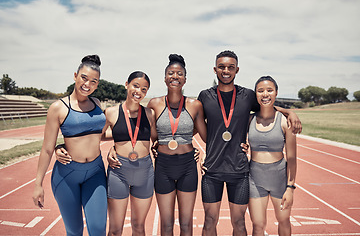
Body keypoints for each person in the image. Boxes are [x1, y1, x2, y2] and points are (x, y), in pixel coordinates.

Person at [197, 50, 301, 236]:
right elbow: (194, 123)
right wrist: (194, 150)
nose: (226, 71)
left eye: (231, 67)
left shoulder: (247, 96)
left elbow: (267, 104)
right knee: (209, 222)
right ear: (215, 69)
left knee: (239, 223)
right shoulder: (205, 96)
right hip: (212, 170)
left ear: (237, 70)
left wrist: (289, 112)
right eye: (221, 67)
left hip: (239, 171)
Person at [56, 71, 157, 236]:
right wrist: (60, 146)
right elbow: (95, 135)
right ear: (127, 84)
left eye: (144, 89)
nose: (139, 91)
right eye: (136, 86)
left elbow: (155, 139)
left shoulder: (149, 114)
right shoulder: (111, 113)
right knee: (115, 230)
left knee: (139, 227)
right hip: (119, 172)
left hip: (144, 172)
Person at [32, 55, 108, 236]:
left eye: (93, 81)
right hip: (67, 175)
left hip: (95, 173)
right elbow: (47, 148)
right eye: (84, 78)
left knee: (98, 229)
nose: (87, 84)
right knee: (74, 231)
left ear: (97, 84)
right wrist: (38, 184)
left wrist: (117, 148)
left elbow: (100, 134)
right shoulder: (58, 108)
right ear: (75, 76)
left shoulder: (96, 103)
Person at [147, 54, 207, 236]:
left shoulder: (195, 105)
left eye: (179, 73)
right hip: (163, 166)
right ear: (165, 78)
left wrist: (205, 152)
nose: (175, 76)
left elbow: (207, 136)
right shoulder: (154, 104)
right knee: (166, 225)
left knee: (186, 224)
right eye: (171, 73)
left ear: (185, 79)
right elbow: (148, 136)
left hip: (188, 165)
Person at [247, 76, 297, 236]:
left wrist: (290, 188)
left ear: (276, 93)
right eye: (260, 91)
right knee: (258, 225)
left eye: (269, 90)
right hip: (255, 178)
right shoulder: (249, 120)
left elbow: (292, 158)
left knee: (283, 220)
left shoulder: (285, 122)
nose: (265, 94)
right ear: (256, 94)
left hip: (279, 179)